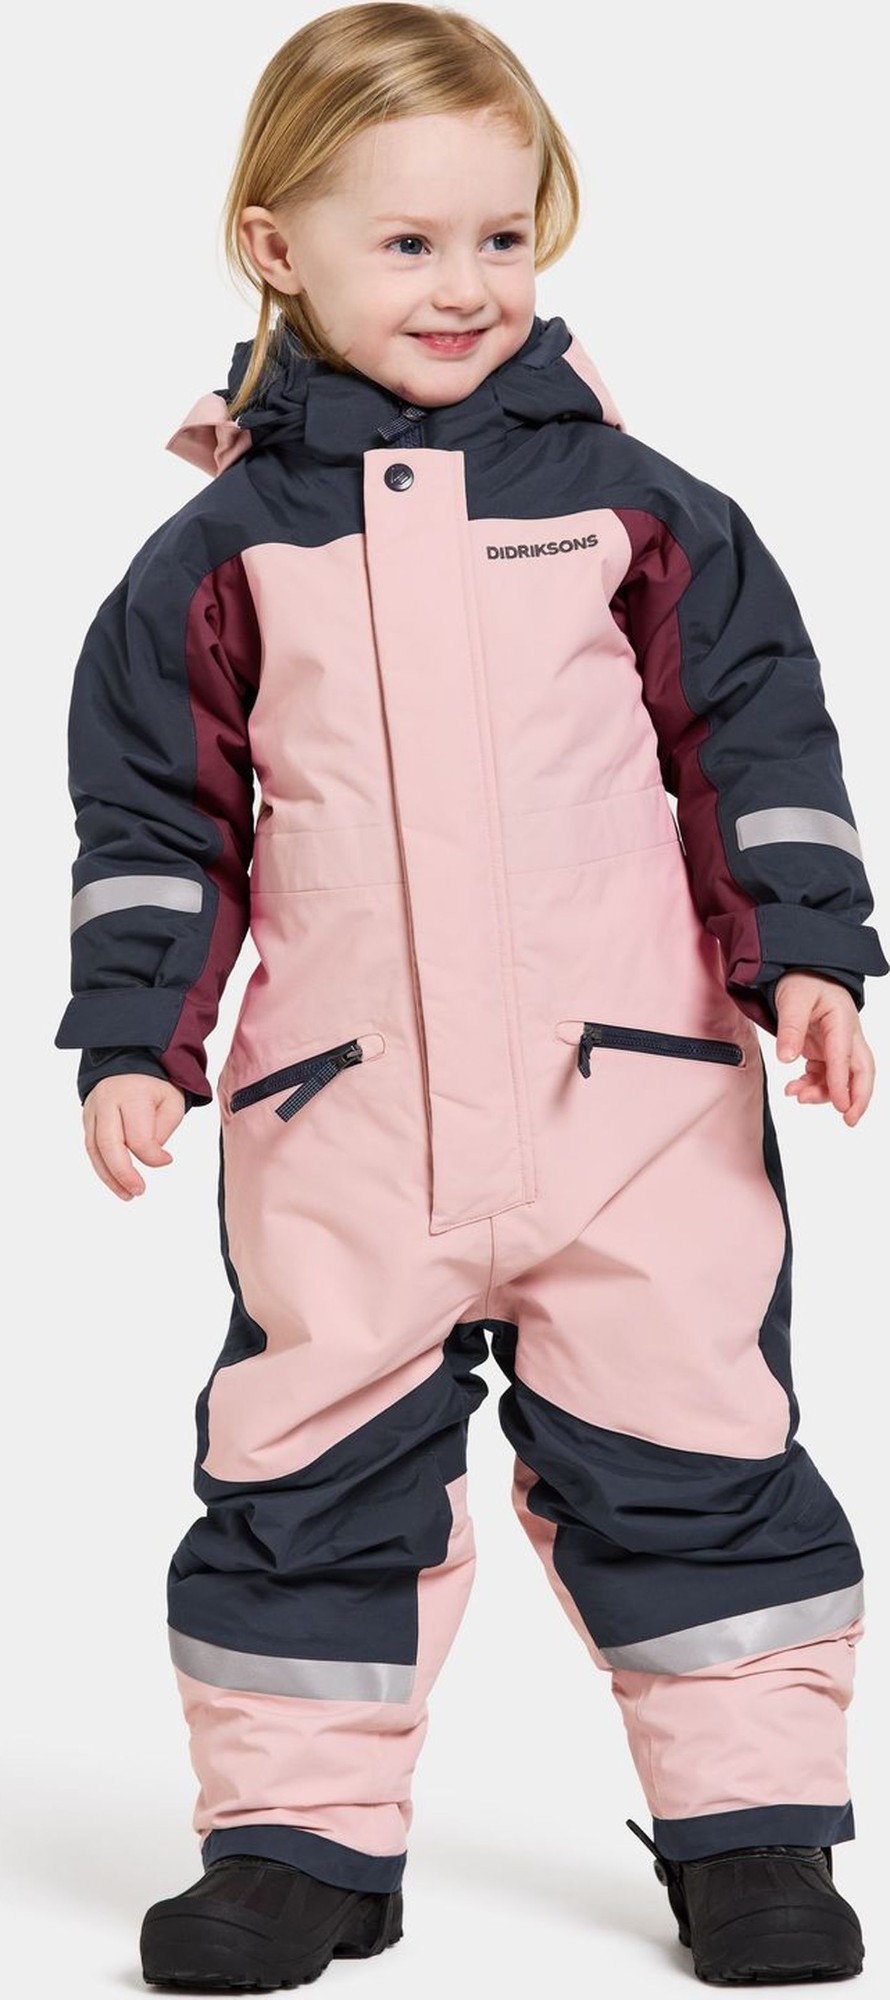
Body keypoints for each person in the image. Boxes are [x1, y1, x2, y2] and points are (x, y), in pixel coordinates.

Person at [55, 4, 886, 1989]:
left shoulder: (640, 509)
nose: (464, 284)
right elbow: (157, 820)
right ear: (277, 247)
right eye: (409, 241)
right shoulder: (220, 556)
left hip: (636, 1108)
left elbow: (758, 741)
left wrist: (805, 953)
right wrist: (136, 1039)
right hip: (347, 1121)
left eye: (501, 237)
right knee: (303, 1468)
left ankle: (752, 1840)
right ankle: (298, 1850)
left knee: (697, 1450)